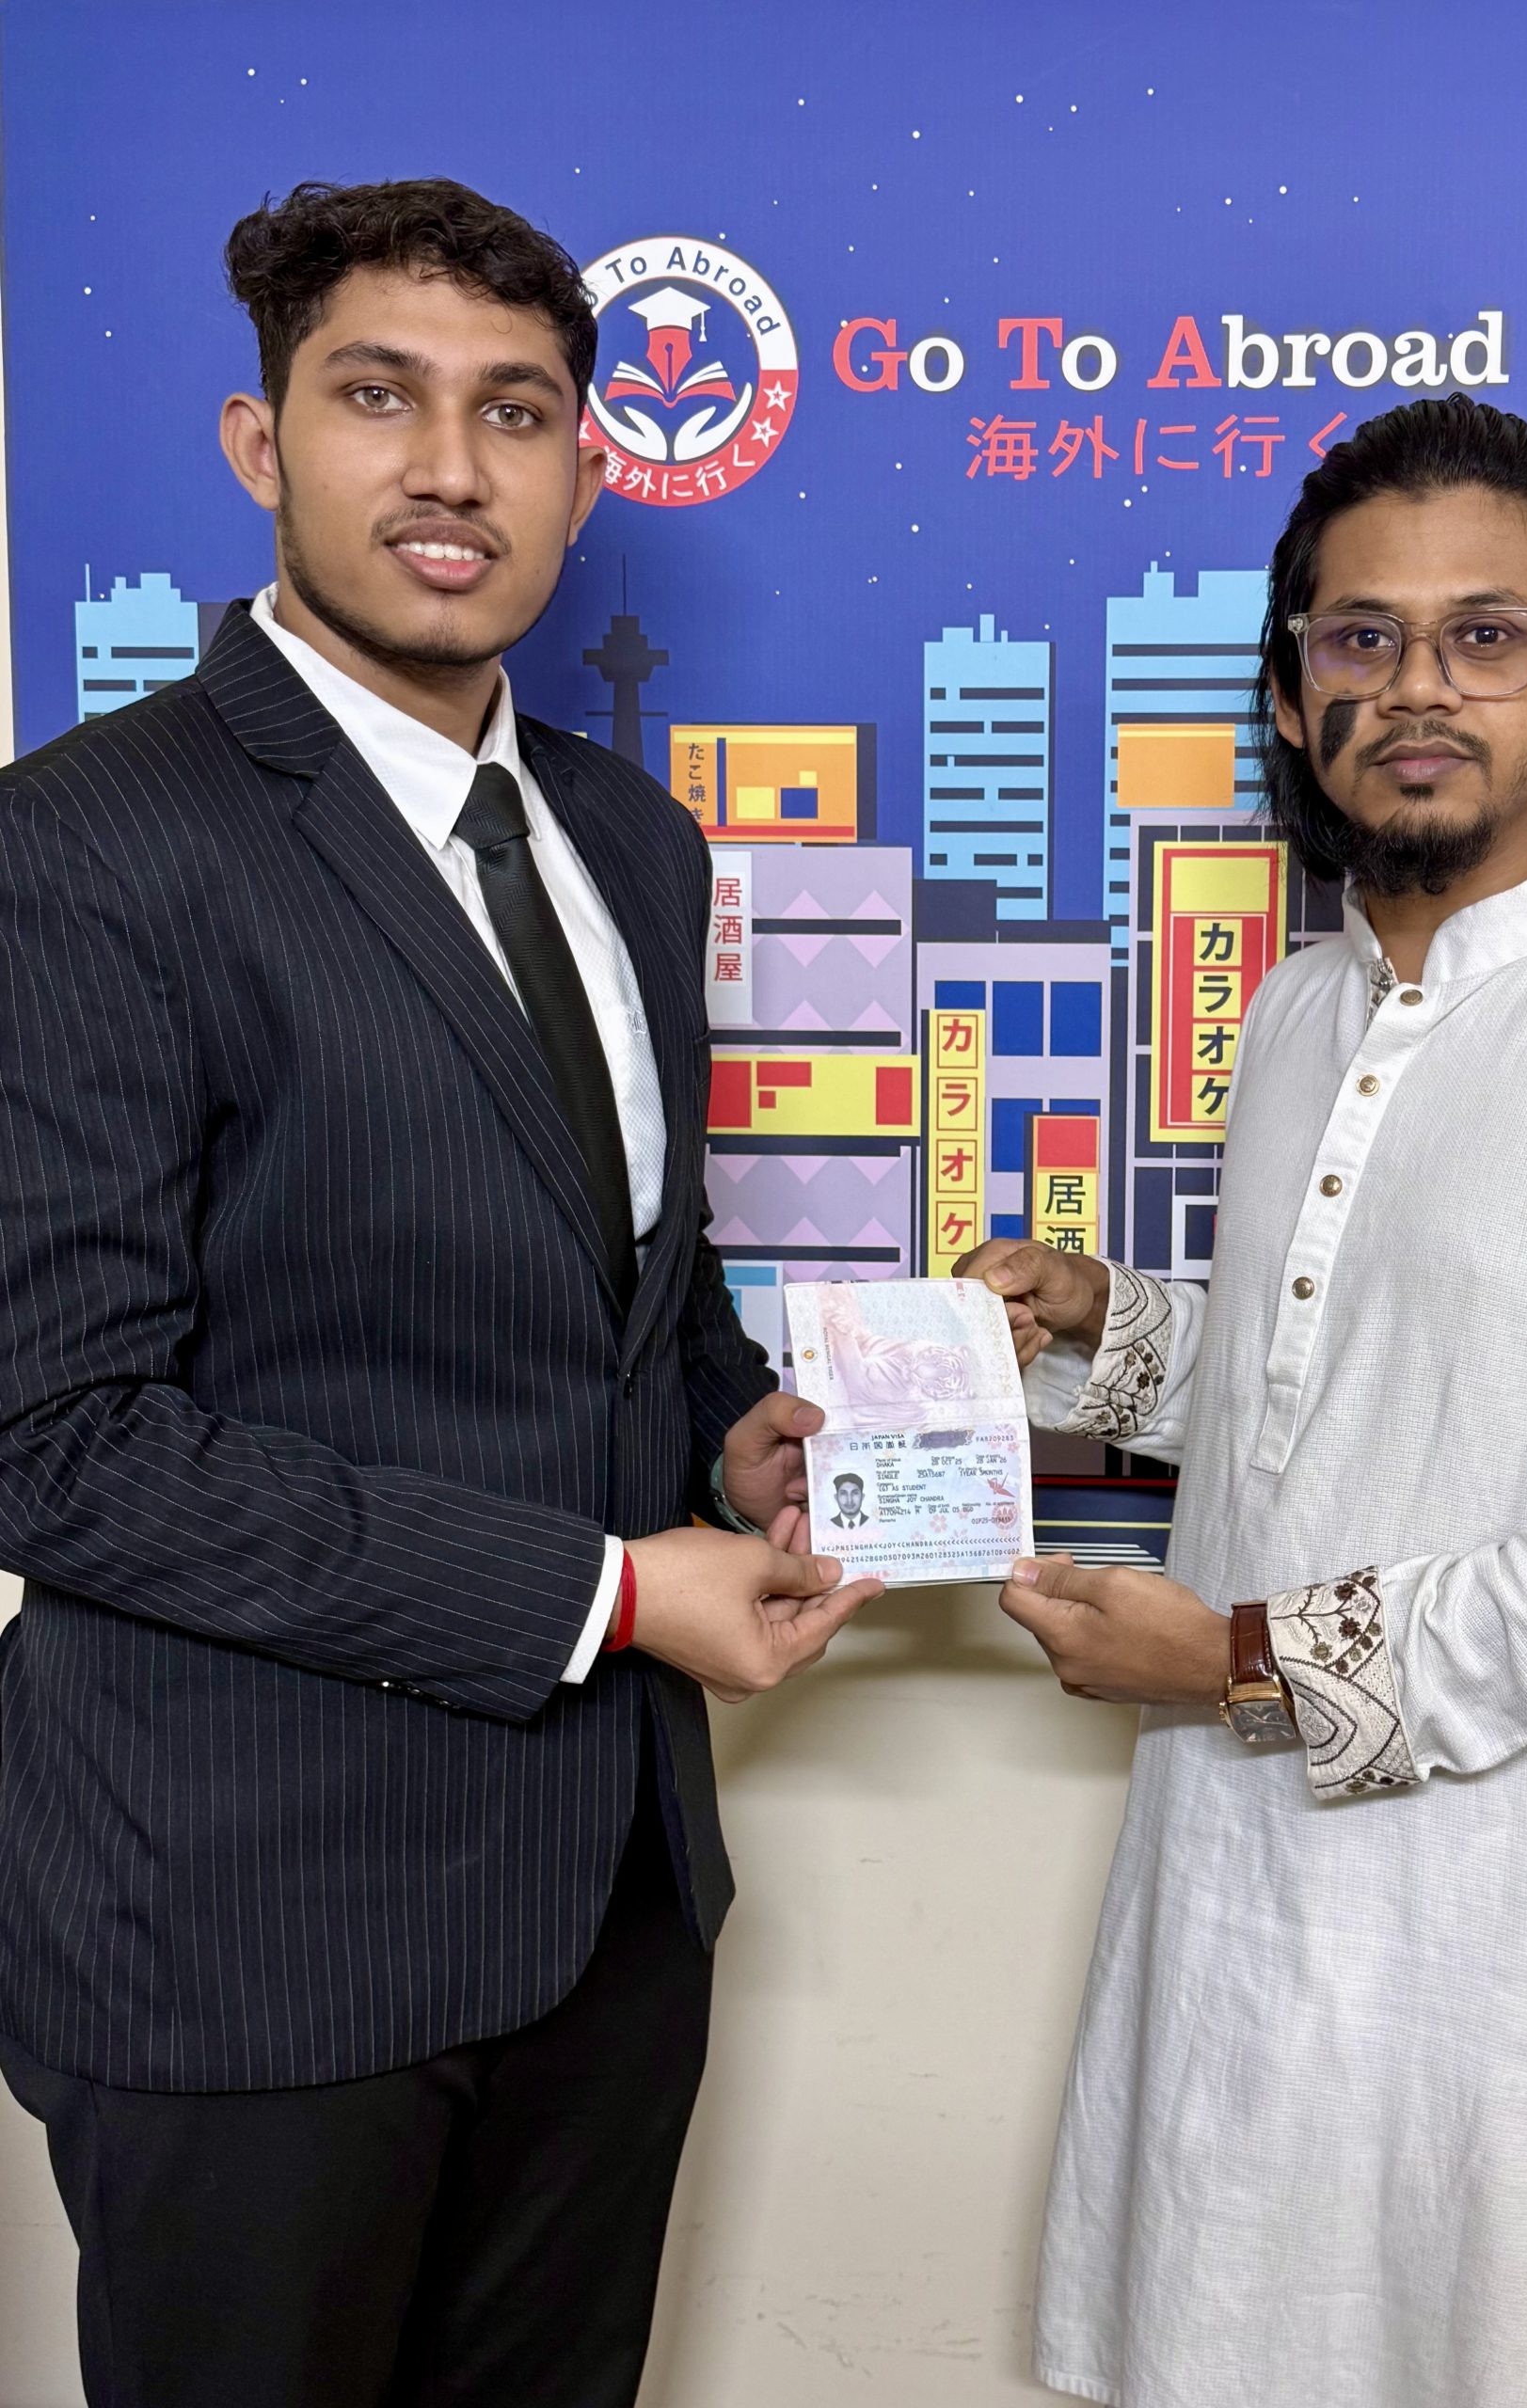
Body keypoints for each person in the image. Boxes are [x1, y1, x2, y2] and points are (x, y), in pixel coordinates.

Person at [0, 179, 880, 2408]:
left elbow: (625, 1275)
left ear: (586, 467)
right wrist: (614, 1589)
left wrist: (730, 1427)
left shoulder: (630, 837)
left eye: (514, 411)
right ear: (257, 442)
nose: (450, 468)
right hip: (247, 1922)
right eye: (376, 397)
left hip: (605, 1903)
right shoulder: (79, 846)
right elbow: (54, 1443)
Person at [961, 396, 1527, 2408]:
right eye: (1359, 637)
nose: (1416, 686)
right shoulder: (1301, 1006)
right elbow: (1348, 1377)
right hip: (1247, 1905)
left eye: (1484, 634)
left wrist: (1236, 1661)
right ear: (1293, 699)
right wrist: (1095, 1322)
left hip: (1526, 1953)